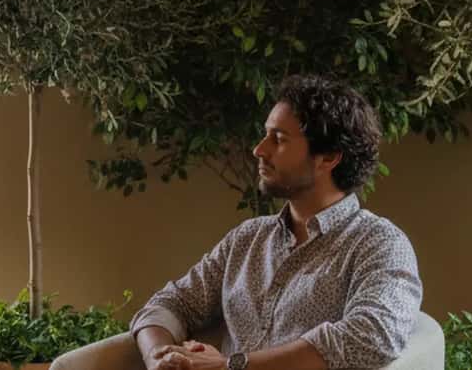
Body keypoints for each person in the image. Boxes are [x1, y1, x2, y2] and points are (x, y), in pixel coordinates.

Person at [132, 74, 422, 370]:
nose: (259, 150)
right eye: (265, 135)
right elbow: (171, 302)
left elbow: (372, 336)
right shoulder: (247, 238)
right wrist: (160, 358)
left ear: (328, 157)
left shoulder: (379, 243)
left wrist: (231, 366)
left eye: (279, 139)